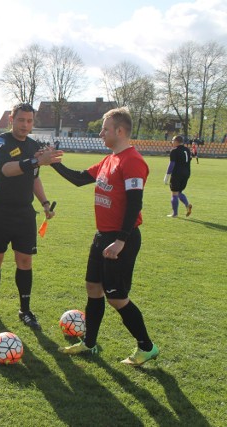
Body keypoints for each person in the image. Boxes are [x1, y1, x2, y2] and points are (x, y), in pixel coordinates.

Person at [51, 107, 159, 366]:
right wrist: (54, 163)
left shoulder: (132, 161)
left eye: (105, 129)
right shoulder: (109, 159)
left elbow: (135, 204)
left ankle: (147, 347)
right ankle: (89, 344)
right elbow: (78, 179)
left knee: (116, 297)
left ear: (120, 131)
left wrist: (121, 240)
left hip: (122, 238)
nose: (100, 133)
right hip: (102, 236)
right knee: (93, 289)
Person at [0, 103, 63, 330]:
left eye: (29, 121)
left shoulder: (34, 145)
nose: (25, 125)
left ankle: (25, 311)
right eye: (21, 120)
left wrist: (45, 203)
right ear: (11, 120)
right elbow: (7, 169)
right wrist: (37, 160)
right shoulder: (0, 142)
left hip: (24, 213)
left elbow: (34, 178)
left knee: (25, 262)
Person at [164, 135, 193, 218]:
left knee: (174, 194)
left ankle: (175, 213)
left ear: (177, 141)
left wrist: (167, 175)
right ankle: (187, 205)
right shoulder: (187, 150)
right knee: (179, 192)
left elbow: (172, 164)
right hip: (186, 173)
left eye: (173, 140)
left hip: (177, 174)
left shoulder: (174, 151)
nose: (172, 142)